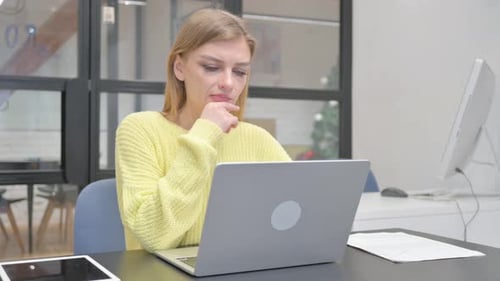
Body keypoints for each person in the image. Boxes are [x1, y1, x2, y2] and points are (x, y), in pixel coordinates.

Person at [115, 8, 291, 252]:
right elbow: (154, 236)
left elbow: (299, 216)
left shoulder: (257, 138)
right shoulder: (140, 130)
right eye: (211, 67)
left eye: (240, 72)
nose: (229, 83)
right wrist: (204, 134)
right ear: (179, 68)